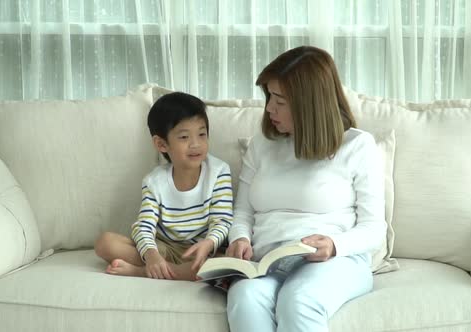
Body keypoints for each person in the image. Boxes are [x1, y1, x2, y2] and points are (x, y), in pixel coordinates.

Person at [225, 46, 386, 331]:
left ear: (309, 103)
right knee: (244, 296)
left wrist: (335, 245)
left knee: (298, 299)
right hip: (268, 263)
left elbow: (374, 228)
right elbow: (243, 211)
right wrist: (239, 238)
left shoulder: (358, 147)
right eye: (269, 97)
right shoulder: (262, 144)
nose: (269, 108)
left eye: (280, 101)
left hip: (335, 263)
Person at [94, 92, 233, 281]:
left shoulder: (219, 171)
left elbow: (222, 220)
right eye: (184, 137)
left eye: (202, 134)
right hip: (164, 249)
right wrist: (152, 256)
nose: (196, 144)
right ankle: (165, 269)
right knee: (105, 243)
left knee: (226, 264)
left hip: (202, 250)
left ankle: (143, 272)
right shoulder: (154, 181)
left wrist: (209, 243)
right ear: (161, 144)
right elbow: (144, 226)